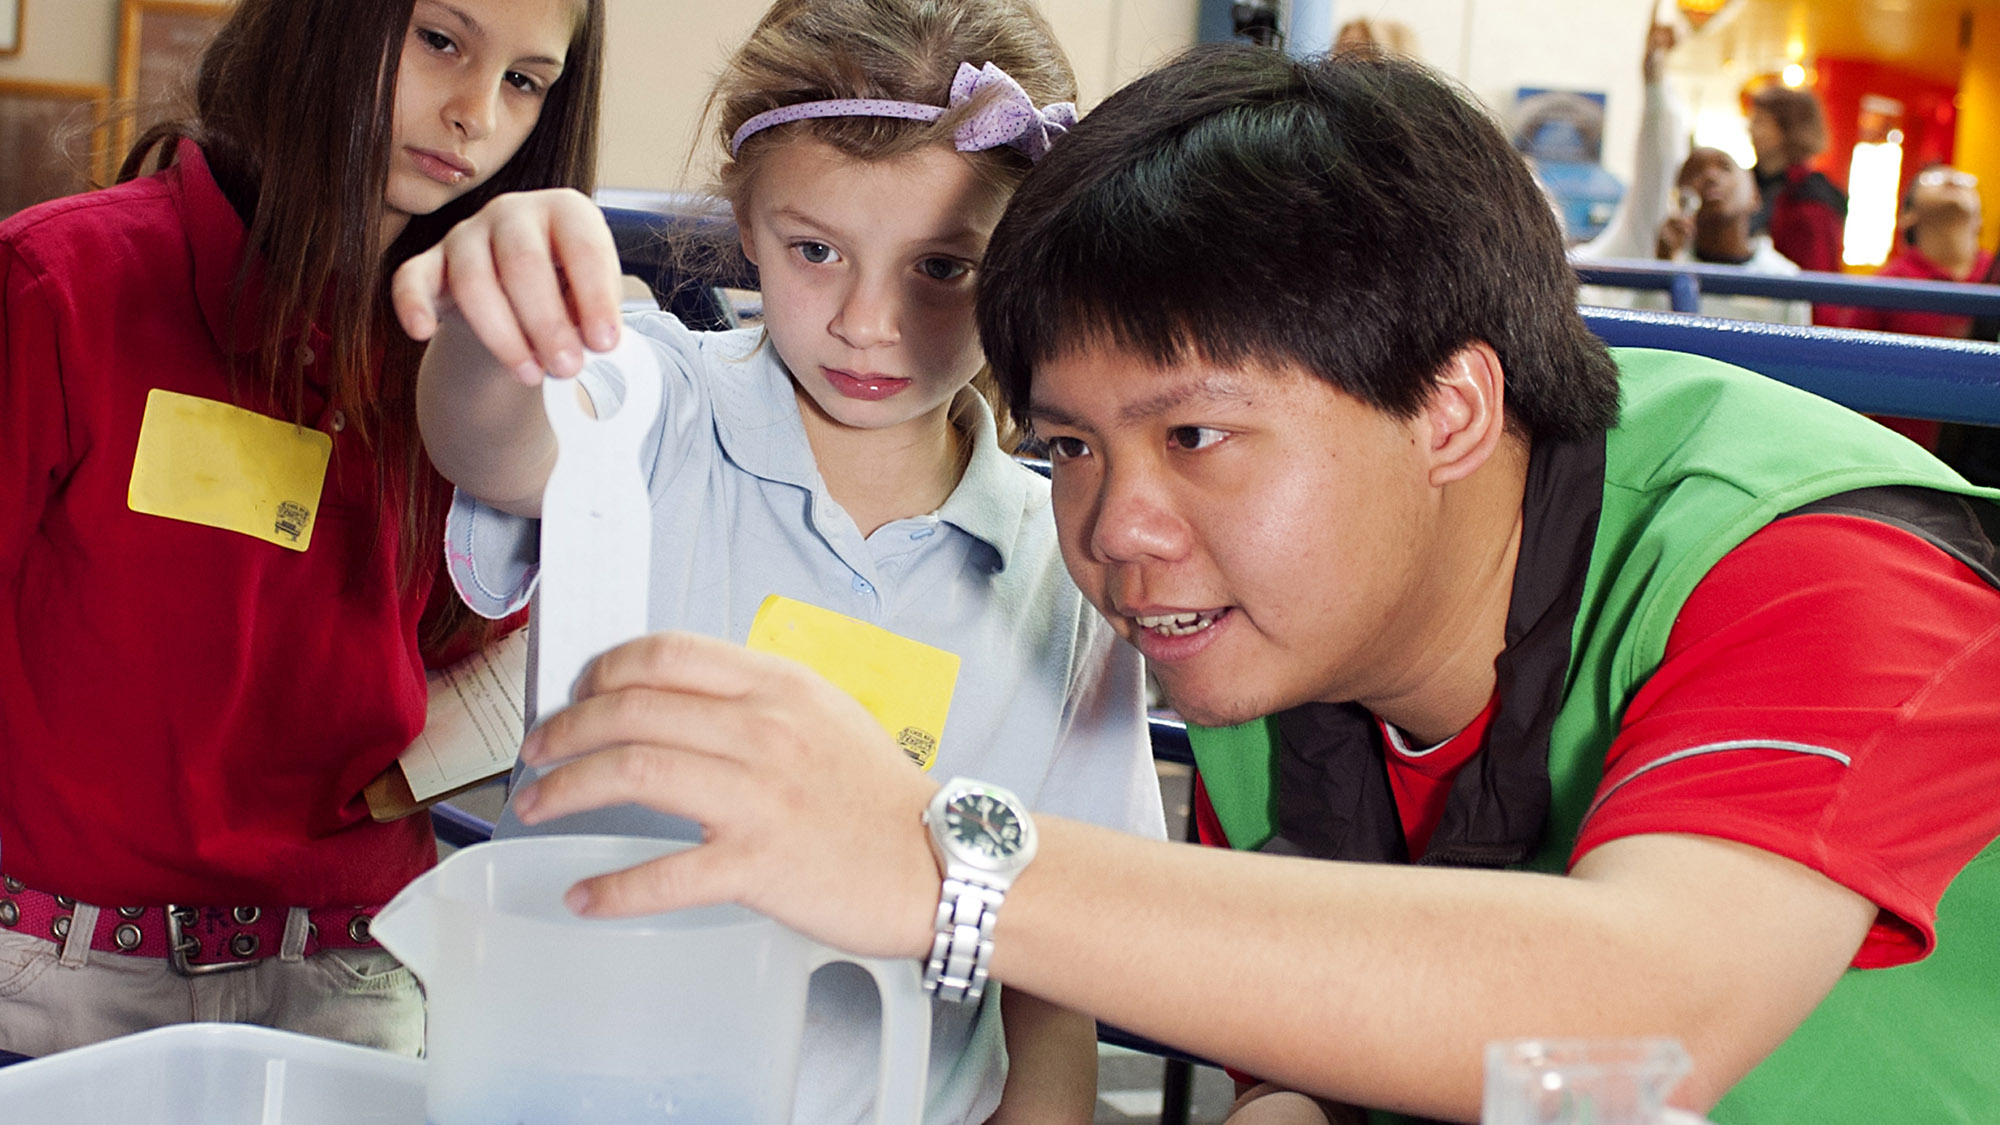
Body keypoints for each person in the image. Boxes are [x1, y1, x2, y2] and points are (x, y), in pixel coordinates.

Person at [491, 45, 2000, 1125]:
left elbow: (1646, 1007)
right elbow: (1330, 1065)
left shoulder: (1821, 559)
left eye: (1197, 434)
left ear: (1452, 412)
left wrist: (937, 859)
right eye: (1068, 445)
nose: (1118, 532)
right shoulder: (1255, 638)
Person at [394, 0, 1165, 1121]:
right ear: (746, 223)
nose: (868, 323)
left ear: (1024, 267)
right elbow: (494, 439)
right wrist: (494, 322)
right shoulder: (657, 413)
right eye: (816, 251)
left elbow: (1059, 964)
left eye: (943, 268)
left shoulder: (1065, 574)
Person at [0, 0, 603, 1059]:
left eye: (525, 82)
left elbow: (482, 643)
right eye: (440, 40)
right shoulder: (57, 284)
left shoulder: (482, 364)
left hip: (357, 973)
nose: (474, 114)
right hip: (59, 979)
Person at [1574, 22, 1808, 326]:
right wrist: (1661, 267)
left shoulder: (1786, 280)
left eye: (1724, 168)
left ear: (1754, 195)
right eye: (1694, 172)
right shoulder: (1667, 271)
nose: (1710, 178)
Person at [1835, 164, 1992, 449]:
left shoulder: (1994, 273)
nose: (1951, 180)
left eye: (1963, 179)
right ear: (1907, 215)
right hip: (1907, 458)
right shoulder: (1888, 285)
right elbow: (1848, 380)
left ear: (1981, 218)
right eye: (1934, 178)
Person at [1747, 83, 1846, 322]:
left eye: (1761, 121)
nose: (1751, 129)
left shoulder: (1811, 201)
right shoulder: (1748, 184)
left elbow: (1819, 288)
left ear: (1787, 129)